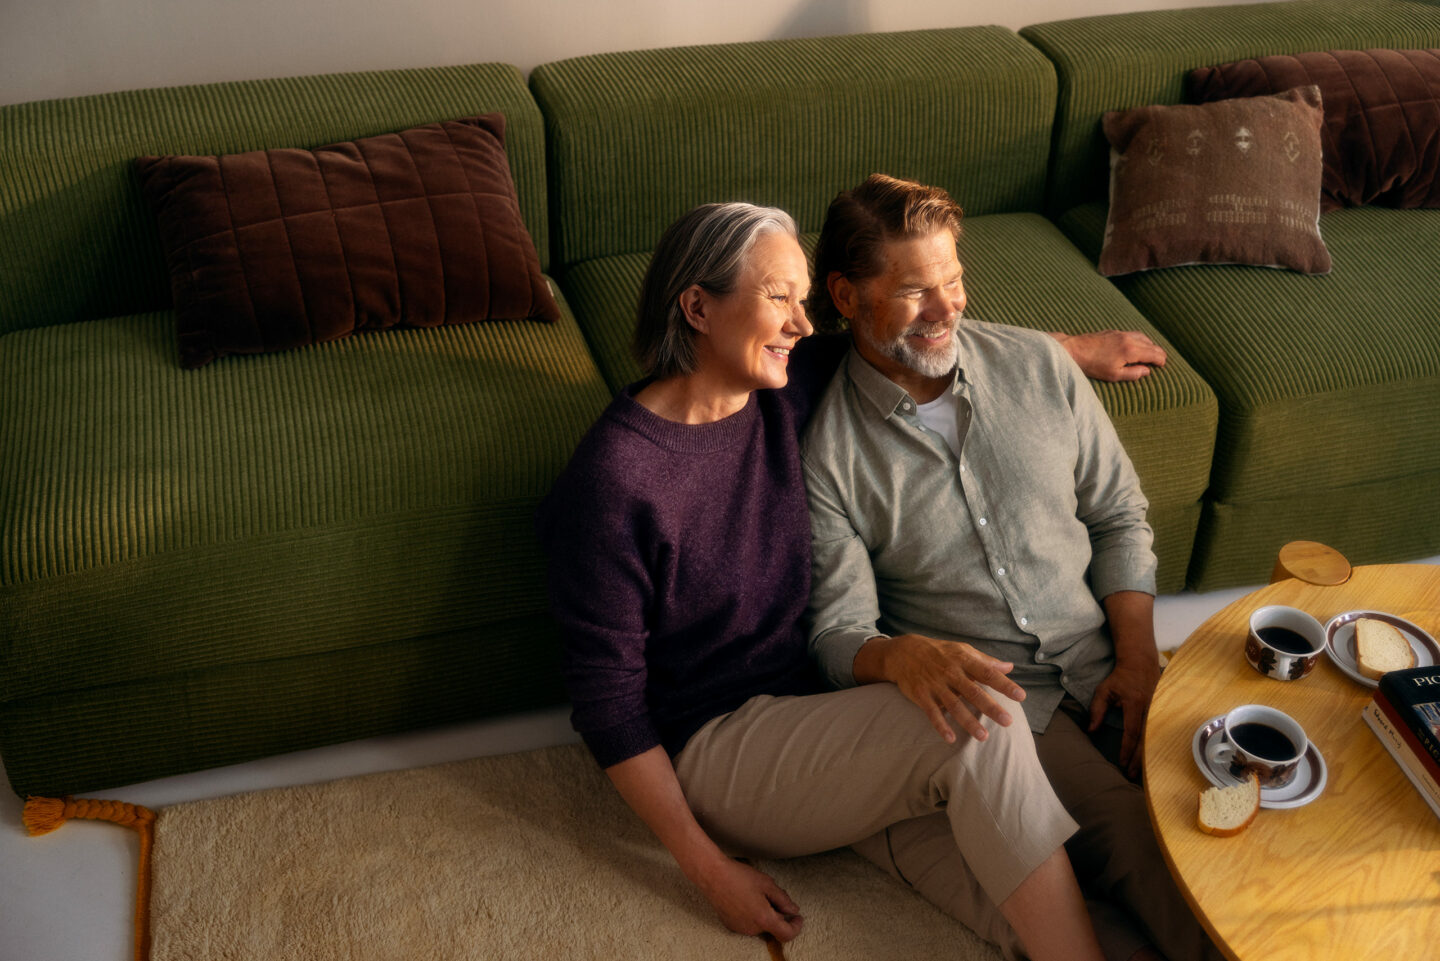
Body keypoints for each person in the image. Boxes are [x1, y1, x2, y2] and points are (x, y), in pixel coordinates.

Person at [537, 201, 1112, 961]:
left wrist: (1067, 350)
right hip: (720, 748)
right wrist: (709, 870)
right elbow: (608, 707)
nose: (803, 324)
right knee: (981, 722)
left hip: (829, 717)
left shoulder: (787, 379)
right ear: (698, 306)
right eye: (780, 297)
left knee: (1045, 895)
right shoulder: (615, 481)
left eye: (804, 299)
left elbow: (907, 330)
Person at [800, 174, 1221, 961]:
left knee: (1233, 795)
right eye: (916, 291)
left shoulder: (1037, 364)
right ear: (846, 296)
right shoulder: (830, 456)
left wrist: (1138, 655)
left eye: (954, 281)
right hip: (1010, 718)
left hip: (1108, 655)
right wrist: (899, 654)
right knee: (1143, 839)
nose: (947, 307)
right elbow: (834, 630)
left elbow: (1118, 514)